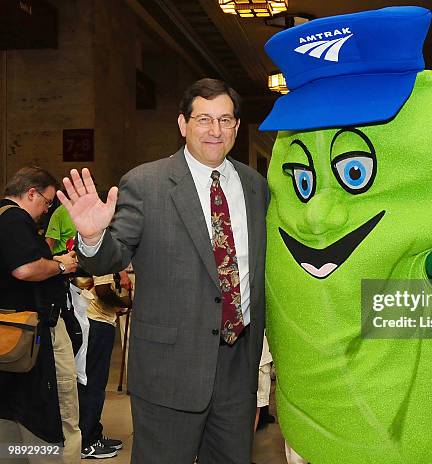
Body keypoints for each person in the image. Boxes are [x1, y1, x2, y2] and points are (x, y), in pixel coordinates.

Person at [58, 78, 268, 464]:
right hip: (169, 369)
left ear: (237, 127)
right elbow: (111, 257)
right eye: (204, 119)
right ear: (182, 124)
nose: (215, 130)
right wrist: (91, 238)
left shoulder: (255, 186)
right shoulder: (146, 183)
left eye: (225, 119)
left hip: (238, 366)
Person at [0, 166, 80, 463]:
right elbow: (24, 268)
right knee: (54, 405)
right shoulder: (15, 219)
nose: (47, 211)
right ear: (31, 192)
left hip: (11, 331)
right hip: (29, 331)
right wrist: (60, 265)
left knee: (12, 410)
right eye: (46, 202)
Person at [79, 271, 131, 459]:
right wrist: (126, 302)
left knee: (96, 383)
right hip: (96, 321)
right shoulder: (103, 252)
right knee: (93, 383)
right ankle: (87, 441)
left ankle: (94, 433)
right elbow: (102, 291)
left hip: (99, 320)